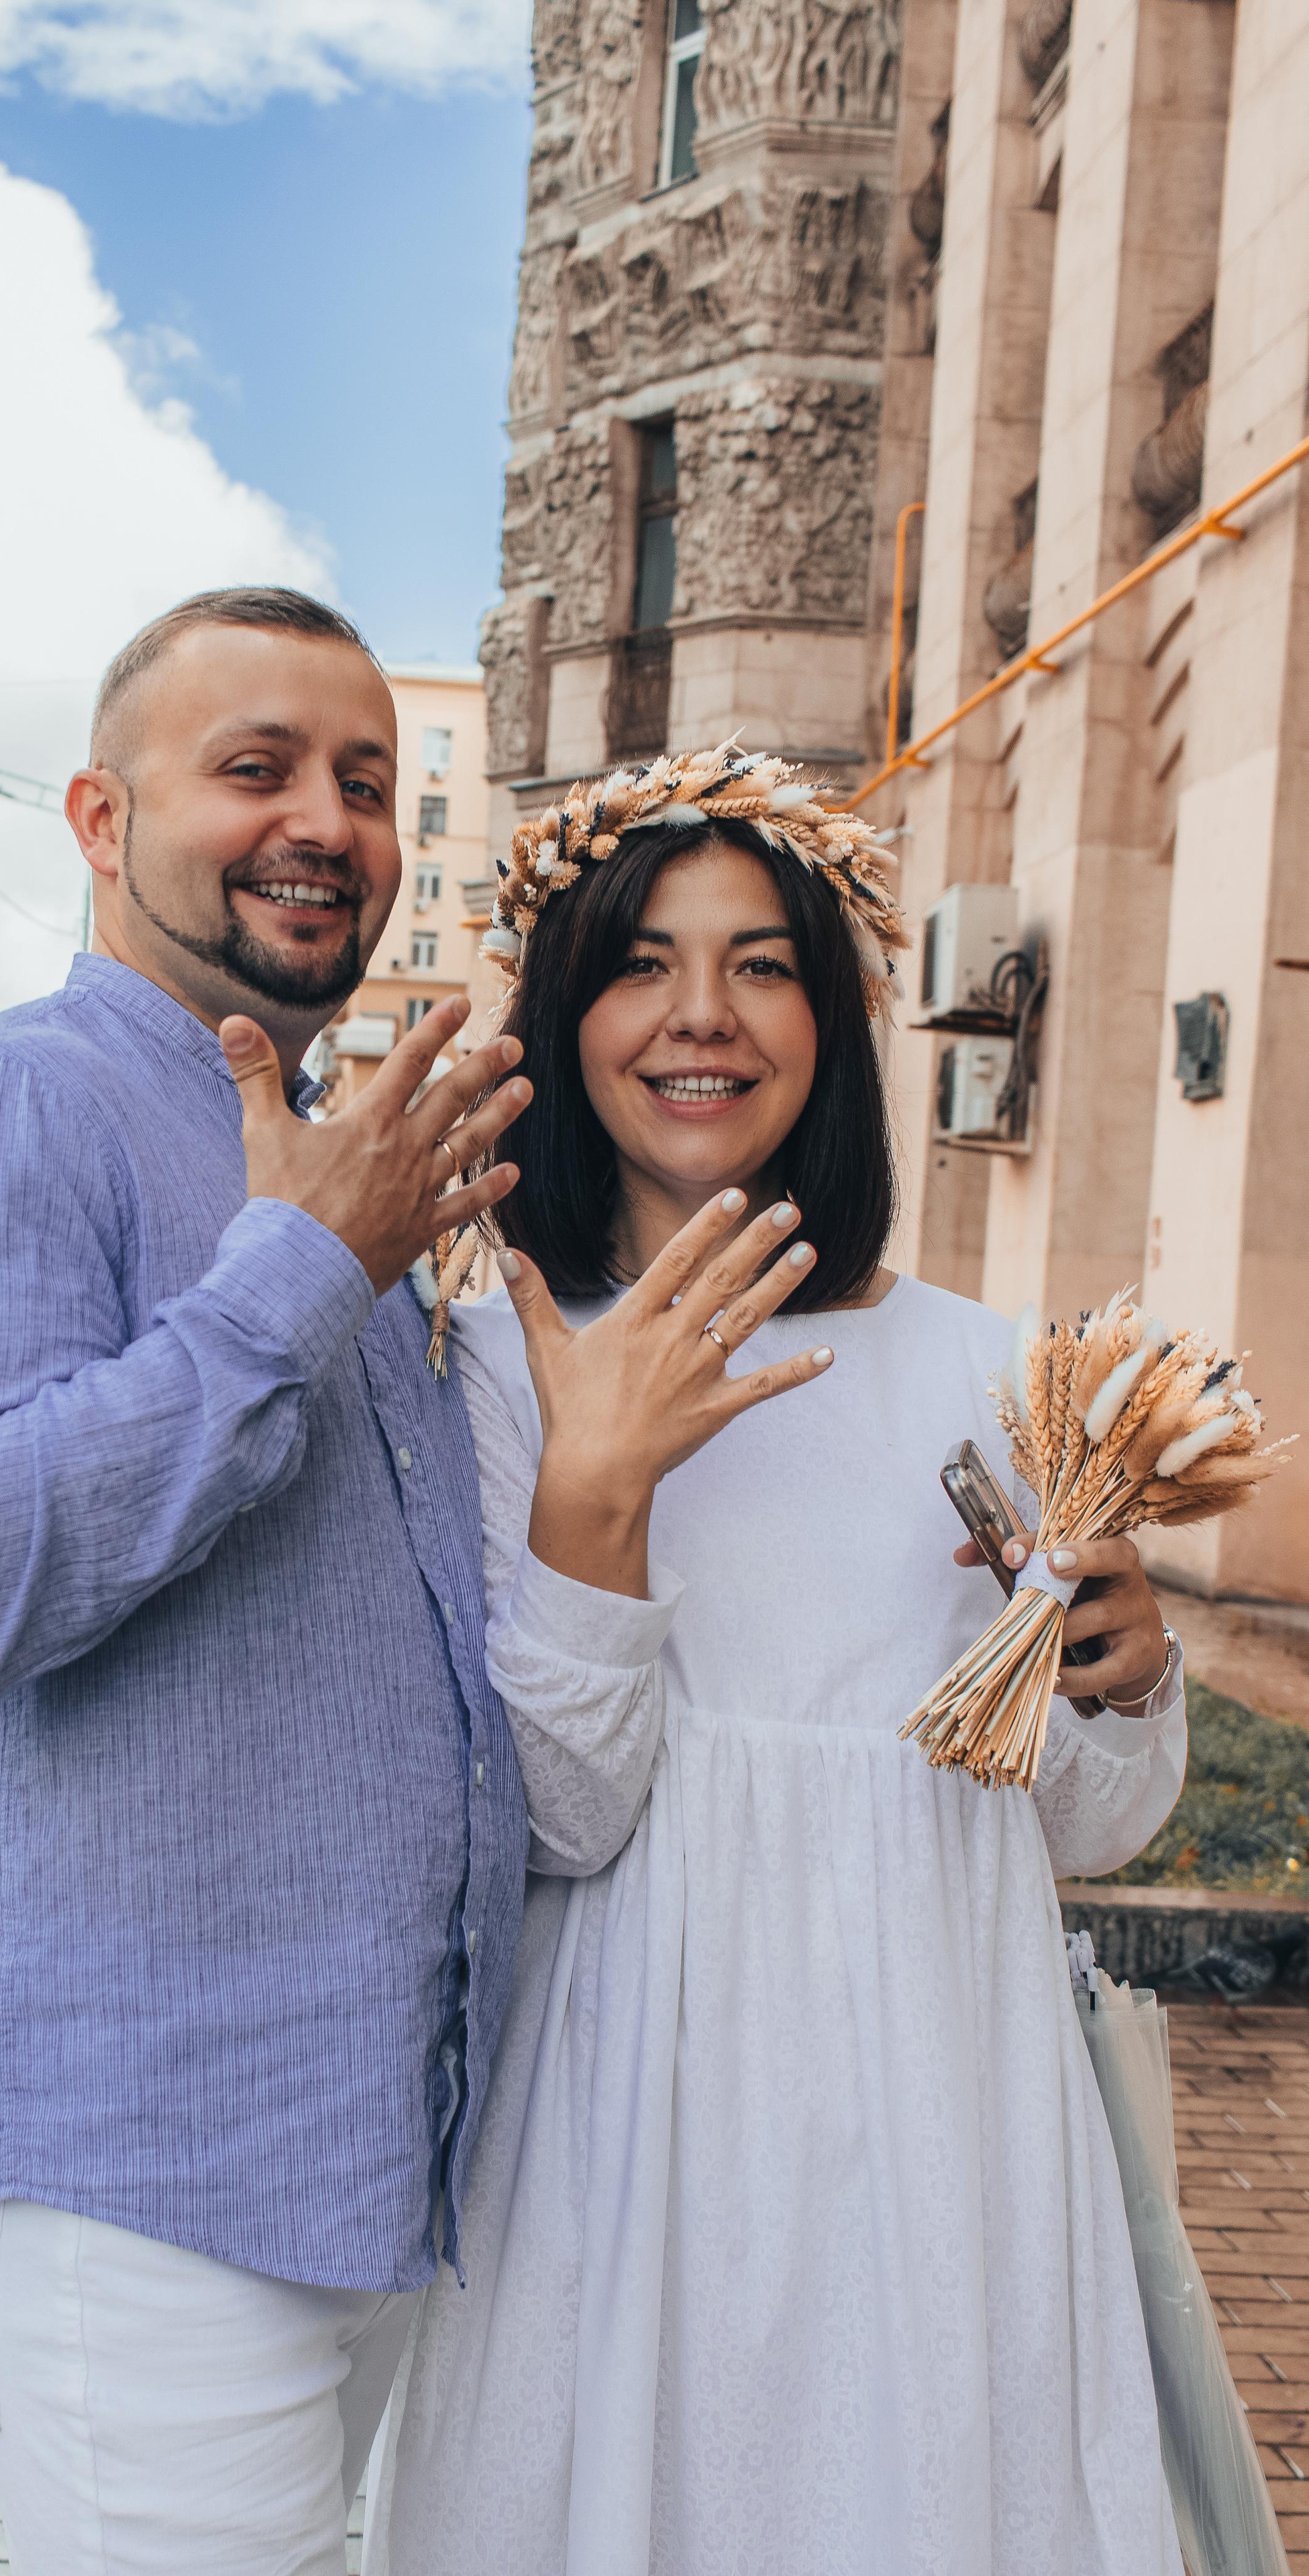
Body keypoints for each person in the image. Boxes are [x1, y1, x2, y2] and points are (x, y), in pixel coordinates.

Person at [366, 741, 1190, 2576]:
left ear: (832, 1018)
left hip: (940, 2125)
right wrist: (598, 1497)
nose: (701, 1016)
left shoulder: (992, 1368)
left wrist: (1124, 1678)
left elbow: (1089, 1824)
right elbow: (561, 1819)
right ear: (569, 1014)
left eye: (762, 963)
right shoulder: (485, 1359)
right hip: (618, 2135)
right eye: (643, 961)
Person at [0, 587, 535, 2576]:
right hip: (140, 2159)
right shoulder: (12, 1104)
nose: (330, 819)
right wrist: (302, 1281)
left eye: (368, 783)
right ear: (102, 822)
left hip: (361, 2148)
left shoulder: (320, 1160)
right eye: (258, 767)